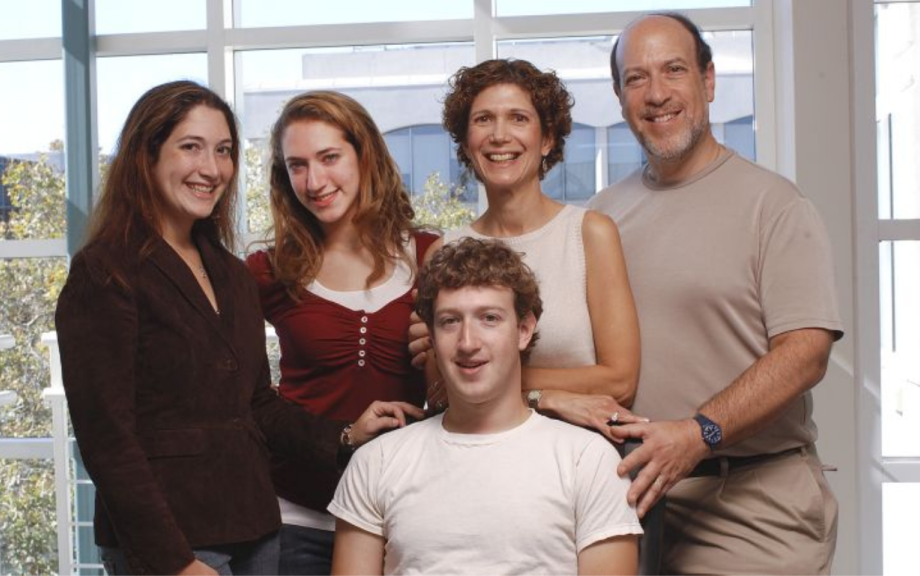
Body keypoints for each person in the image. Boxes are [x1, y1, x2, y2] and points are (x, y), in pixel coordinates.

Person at [55, 80, 421, 576]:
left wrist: (343, 435)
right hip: (177, 543)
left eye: (223, 151)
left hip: (254, 529)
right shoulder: (106, 271)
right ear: (147, 155)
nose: (211, 169)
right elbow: (106, 438)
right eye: (191, 148)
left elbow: (255, 404)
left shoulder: (228, 272)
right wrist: (173, 561)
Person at [587, 12, 844, 575]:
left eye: (673, 71)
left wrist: (699, 433)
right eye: (636, 79)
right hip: (629, 504)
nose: (656, 95)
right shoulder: (603, 214)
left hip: (749, 507)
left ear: (707, 81)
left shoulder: (774, 205)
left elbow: (806, 352)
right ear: (619, 95)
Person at [330, 238, 642, 575]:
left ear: (523, 330)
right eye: (450, 321)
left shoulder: (587, 460)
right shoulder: (375, 463)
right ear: (432, 337)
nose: (468, 343)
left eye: (489, 318)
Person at [244, 91, 439, 575]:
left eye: (329, 157)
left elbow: (458, 386)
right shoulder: (267, 271)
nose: (315, 181)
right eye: (298, 165)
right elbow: (241, 394)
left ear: (364, 154)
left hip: (405, 514)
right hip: (299, 518)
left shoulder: (429, 255)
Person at [411, 58, 641, 437]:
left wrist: (494, 381)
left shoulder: (590, 234)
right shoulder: (444, 251)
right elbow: (440, 394)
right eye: (483, 119)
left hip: (581, 460)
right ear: (466, 143)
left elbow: (620, 382)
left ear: (547, 138)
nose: (499, 135)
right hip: (478, 457)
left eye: (518, 118)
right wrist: (546, 397)